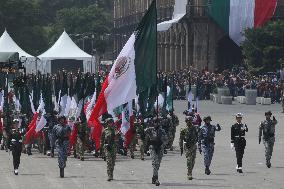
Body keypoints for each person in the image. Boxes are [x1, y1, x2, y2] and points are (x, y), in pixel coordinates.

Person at [145, 117, 168, 186]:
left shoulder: (162, 131)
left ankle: (154, 176)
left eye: (158, 122)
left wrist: (163, 144)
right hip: (153, 148)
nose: (156, 123)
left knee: (158, 164)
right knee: (155, 162)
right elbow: (144, 133)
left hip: (160, 148)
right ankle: (156, 178)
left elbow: (166, 139)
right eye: (155, 122)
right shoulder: (150, 130)